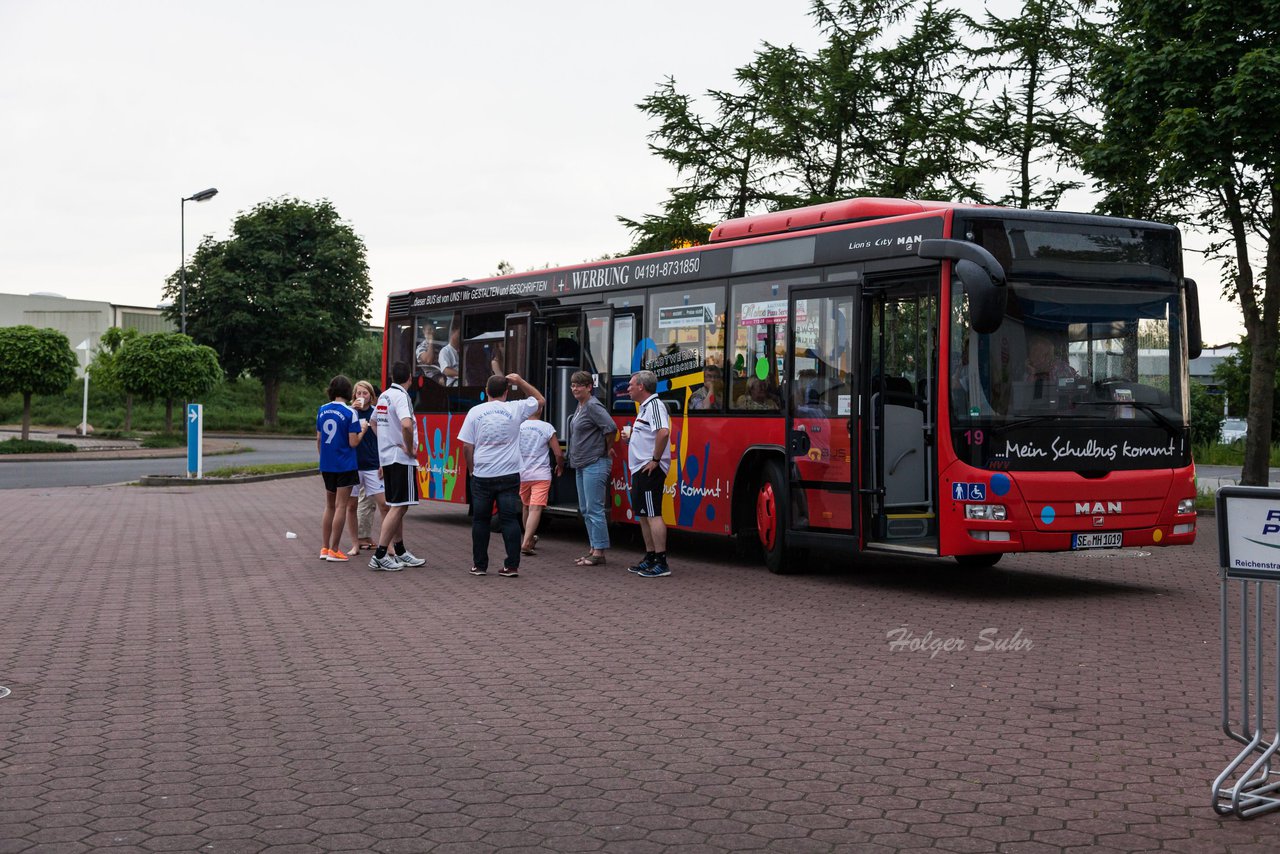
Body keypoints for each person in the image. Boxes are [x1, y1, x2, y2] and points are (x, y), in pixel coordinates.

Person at [458, 373, 544, 577]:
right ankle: (511, 566)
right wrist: (521, 382)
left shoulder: (475, 412)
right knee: (509, 520)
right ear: (507, 392)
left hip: (482, 474)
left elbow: (467, 447)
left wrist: (472, 469)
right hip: (509, 473)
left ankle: (479, 566)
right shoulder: (516, 408)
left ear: (486, 391)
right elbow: (540, 400)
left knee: (480, 520)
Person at [368, 361, 428, 571]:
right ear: (410, 378)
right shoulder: (402, 396)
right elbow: (406, 424)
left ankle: (400, 551)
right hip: (401, 459)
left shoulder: (384, 395)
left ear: (392, 377)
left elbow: (373, 422)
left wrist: (385, 441)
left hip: (388, 457)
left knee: (397, 505)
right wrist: (409, 447)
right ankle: (380, 555)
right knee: (399, 506)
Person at [622, 369, 672, 578]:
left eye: (631, 385)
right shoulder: (644, 408)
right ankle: (650, 556)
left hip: (649, 468)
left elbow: (663, 431)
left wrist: (655, 460)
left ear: (641, 386)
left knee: (653, 513)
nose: (628, 389)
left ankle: (661, 561)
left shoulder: (655, 406)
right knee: (643, 514)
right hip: (639, 468)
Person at [566, 370, 615, 566]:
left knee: (595, 509)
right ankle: (594, 548)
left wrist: (606, 449)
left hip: (594, 463)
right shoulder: (581, 405)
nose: (575, 388)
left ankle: (599, 552)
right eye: (572, 385)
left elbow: (610, 427)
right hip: (581, 464)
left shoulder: (593, 405)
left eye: (579, 385)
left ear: (589, 387)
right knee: (586, 509)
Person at [316, 374, 362, 563]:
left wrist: (324, 457)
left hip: (327, 464)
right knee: (341, 506)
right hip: (345, 464)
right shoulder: (351, 413)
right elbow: (353, 442)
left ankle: (325, 547)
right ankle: (335, 549)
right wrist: (363, 431)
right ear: (348, 392)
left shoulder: (322, 410)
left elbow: (319, 439)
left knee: (329, 505)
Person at [344, 380, 388, 555]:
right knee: (351, 506)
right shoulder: (349, 413)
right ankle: (356, 543)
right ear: (354, 395)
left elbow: (383, 439)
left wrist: (382, 463)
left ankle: (388, 544)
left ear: (371, 396)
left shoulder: (375, 413)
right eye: (358, 393)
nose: (361, 397)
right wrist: (352, 410)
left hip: (372, 464)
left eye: (365, 393)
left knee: (385, 505)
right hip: (353, 465)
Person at [517, 409, 564, 556]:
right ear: (542, 410)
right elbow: (558, 453)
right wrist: (560, 466)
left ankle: (529, 539)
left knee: (526, 507)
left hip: (522, 474)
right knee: (535, 509)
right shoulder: (547, 427)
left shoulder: (519, 426)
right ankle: (526, 542)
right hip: (541, 474)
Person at [1025, 334, 1077, 400]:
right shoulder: (1030, 370)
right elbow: (1026, 397)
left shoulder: (1061, 369)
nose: (1034, 357)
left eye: (1039, 354)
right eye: (1032, 353)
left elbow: (1068, 397)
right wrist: (1032, 374)